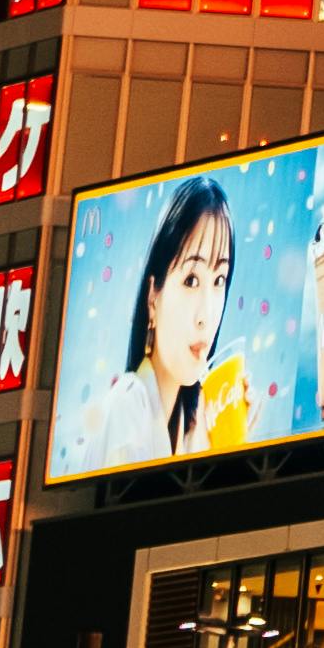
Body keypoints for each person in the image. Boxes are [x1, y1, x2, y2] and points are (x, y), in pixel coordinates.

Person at [111, 174, 263, 462]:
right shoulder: (128, 405)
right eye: (191, 280)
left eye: (219, 280)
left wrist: (215, 451)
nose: (206, 315)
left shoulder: (184, 427)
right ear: (153, 297)